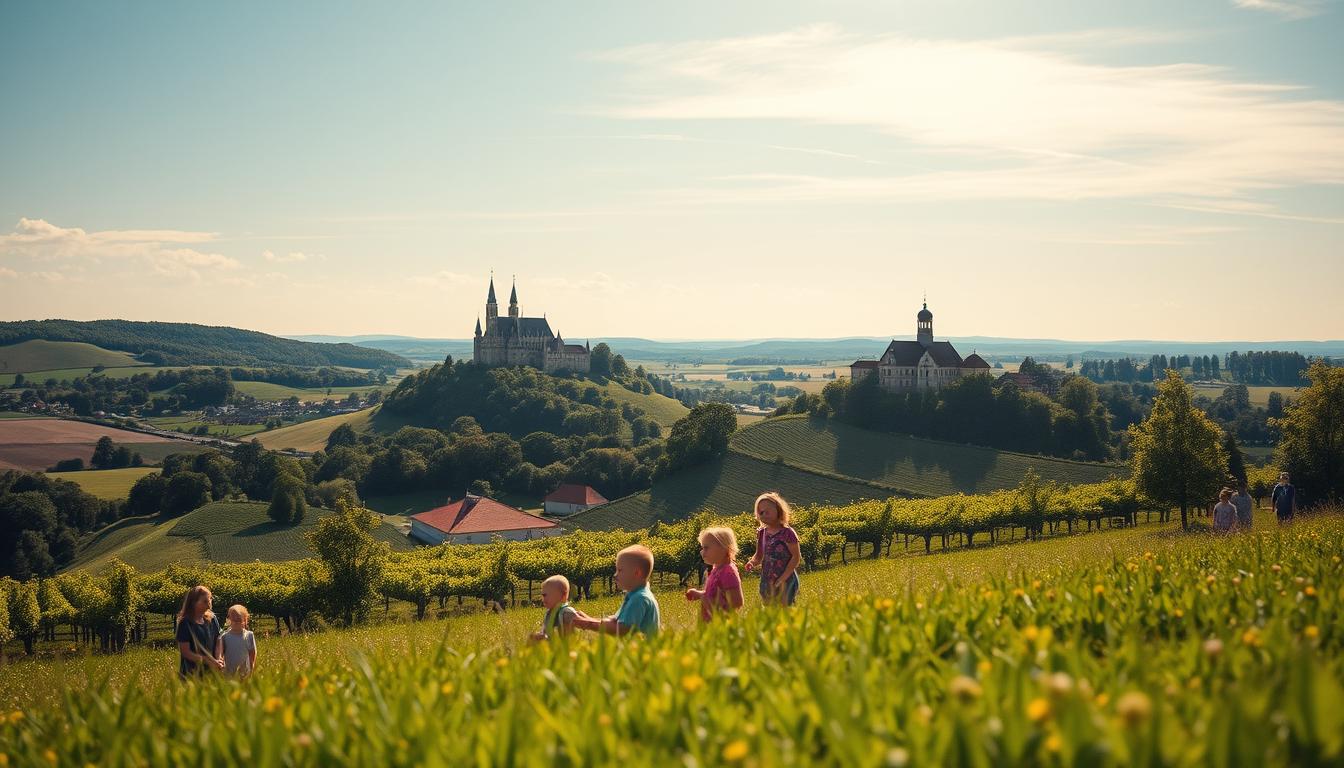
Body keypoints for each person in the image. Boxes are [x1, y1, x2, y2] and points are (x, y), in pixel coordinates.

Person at [572, 545, 661, 638]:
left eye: (620, 570)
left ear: (637, 573)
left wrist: (590, 624)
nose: (615, 575)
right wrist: (588, 620)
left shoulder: (639, 599)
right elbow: (615, 621)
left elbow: (623, 629)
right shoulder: (635, 596)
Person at [744, 492, 802, 606]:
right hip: (767, 579)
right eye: (761, 512)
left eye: (767, 511)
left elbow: (796, 557)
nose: (764, 514)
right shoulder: (762, 533)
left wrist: (783, 578)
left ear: (779, 510)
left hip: (786, 579)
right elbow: (759, 555)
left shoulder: (787, 533)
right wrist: (752, 562)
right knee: (770, 612)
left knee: (786, 610)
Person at [685, 526, 744, 622]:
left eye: (706, 548)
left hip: (722, 625)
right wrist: (700, 594)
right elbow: (715, 595)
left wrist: (703, 598)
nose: (701, 552)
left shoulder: (728, 572)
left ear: (724, 549)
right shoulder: (716, 570)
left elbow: (737, 602)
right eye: (702, 548)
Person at [176, 585, 223, 680]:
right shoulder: (185, 623)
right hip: (192, 673)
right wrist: (207, 661)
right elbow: (186, 652)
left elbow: (218, 639)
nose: (209, 603)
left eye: (210, 599)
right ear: (193, 603)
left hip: (212, 672)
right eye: (205, 601)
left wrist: (218, 658)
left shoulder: (212, 619)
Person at [530, 575, 578, 642]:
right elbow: (546, 633)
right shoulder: (549, 613)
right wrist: (541, 636)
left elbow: (572, 638)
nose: (542, 599)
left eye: (545, 595)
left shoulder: (567, 613)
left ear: (563, 595)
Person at [220, 604, 257, 677]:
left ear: (245, 620)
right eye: (234, 619)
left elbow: (252, 652)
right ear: (229, 620)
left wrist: (252, 666)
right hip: (229, 672)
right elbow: (221, 653)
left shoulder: (249, 635)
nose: (236, 622)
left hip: (245, 672)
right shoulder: (224, 636)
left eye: (239, 620)